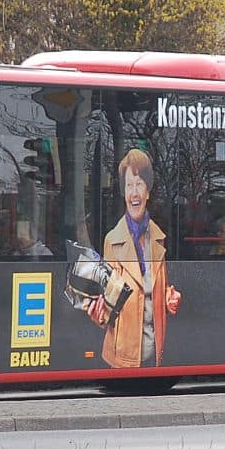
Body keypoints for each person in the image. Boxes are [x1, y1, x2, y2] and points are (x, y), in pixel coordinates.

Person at [84, 150, 181, 367]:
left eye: (139, 184)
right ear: (124, 192)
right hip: (123, 356)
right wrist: (98, 311)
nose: (134, 193)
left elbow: (156, 287)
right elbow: (107, 295)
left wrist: (169, 297)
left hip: (154, 353)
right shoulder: (112, 240)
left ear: (148, 192)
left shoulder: (158, 237)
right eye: (129, 185)